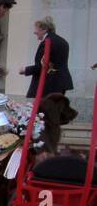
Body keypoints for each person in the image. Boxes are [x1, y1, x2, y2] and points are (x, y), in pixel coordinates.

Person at [21, 17, 76, 154]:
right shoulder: (62, 41)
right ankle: (52, 145)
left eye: (37, 30)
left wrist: (25, 70)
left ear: (44, 29)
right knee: (54, 118)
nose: (35, 34)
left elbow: (42, 66)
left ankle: (46, 148)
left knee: (46, 120)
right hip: (60, 82)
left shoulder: (47, 42)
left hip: (49, 84)